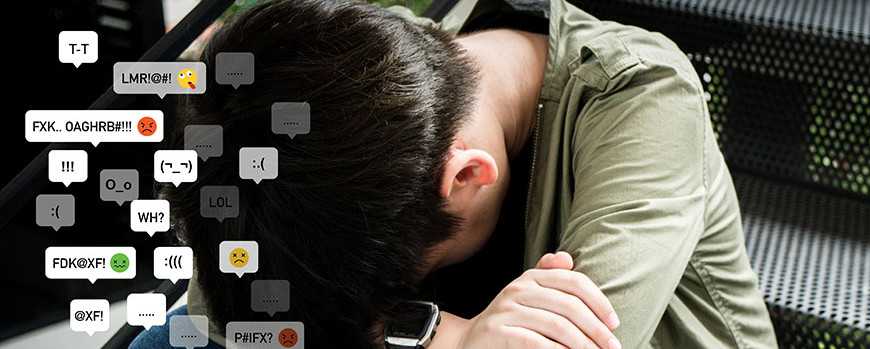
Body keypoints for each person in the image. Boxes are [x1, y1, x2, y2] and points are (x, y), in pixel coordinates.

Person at [148, 0, 777, 348]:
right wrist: (445, 339)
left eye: (401, 275)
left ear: (467, 174)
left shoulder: (642, 95)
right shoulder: (358, 80)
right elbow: (227, 304)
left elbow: (566, 345)